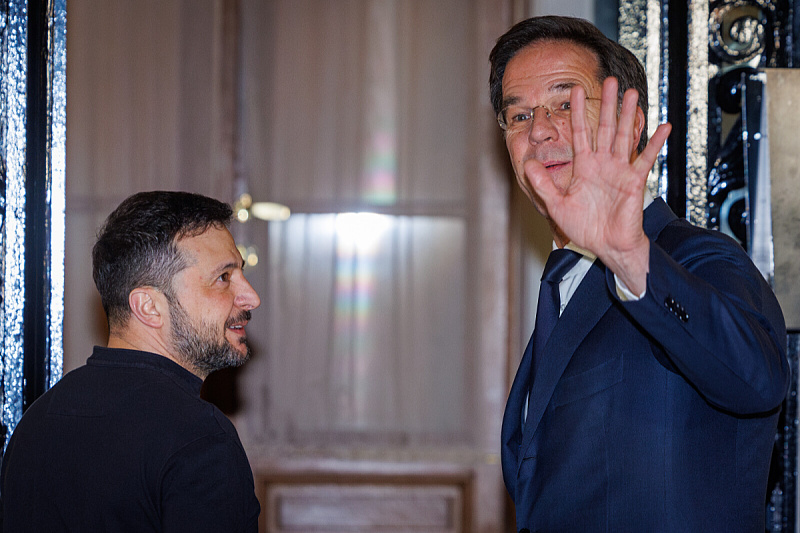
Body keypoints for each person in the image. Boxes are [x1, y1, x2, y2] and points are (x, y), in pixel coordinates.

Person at [490, 16, 788, 532]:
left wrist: (629, 256)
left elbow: (757, 381)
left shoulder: (696, 258)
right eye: (518, 117)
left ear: (629, 126)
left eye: (565, 105)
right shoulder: (562, 281)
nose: (538, 130)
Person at [1, 191, 262, 532]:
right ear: (149, 307)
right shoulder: (199, 437)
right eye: (223, 278)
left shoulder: (37, 421)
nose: (251, 297)